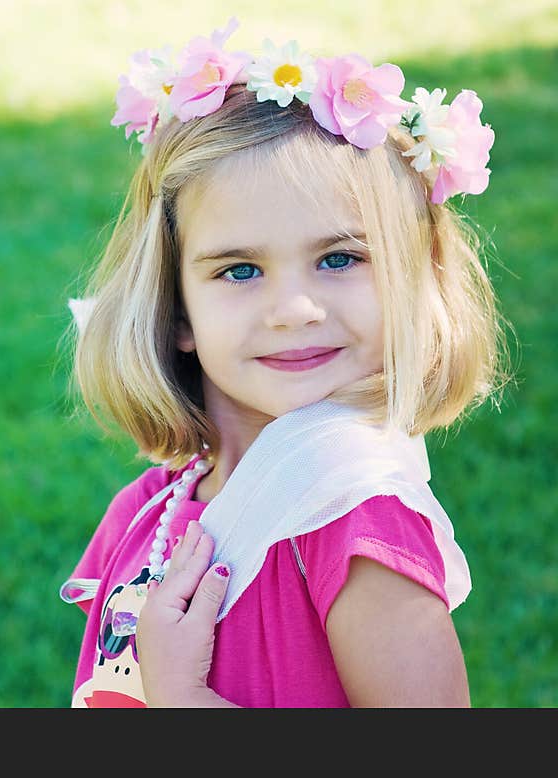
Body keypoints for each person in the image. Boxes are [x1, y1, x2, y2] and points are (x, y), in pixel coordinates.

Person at [58, 19, 511, 707]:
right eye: (239, 271)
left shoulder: (355, 523)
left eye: (340, 259)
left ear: (411, 279)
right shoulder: (148, 511)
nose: (294, 308)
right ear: (177, 312)